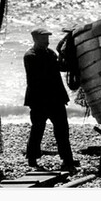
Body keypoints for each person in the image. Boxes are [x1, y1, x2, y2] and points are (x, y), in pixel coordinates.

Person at [23, 26, 78, 172]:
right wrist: (60, 58)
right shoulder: (30, 56)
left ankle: (67, 160)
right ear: (35, 39)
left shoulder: (50, 54)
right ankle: (32, 157)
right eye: (43, 39)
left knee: (62, 130)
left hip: (55, 99)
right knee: (37, 129)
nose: (47, 41)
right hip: (40, 100)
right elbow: (39, 76)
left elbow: (61, 67)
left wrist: (69, 57)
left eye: (47, 38)